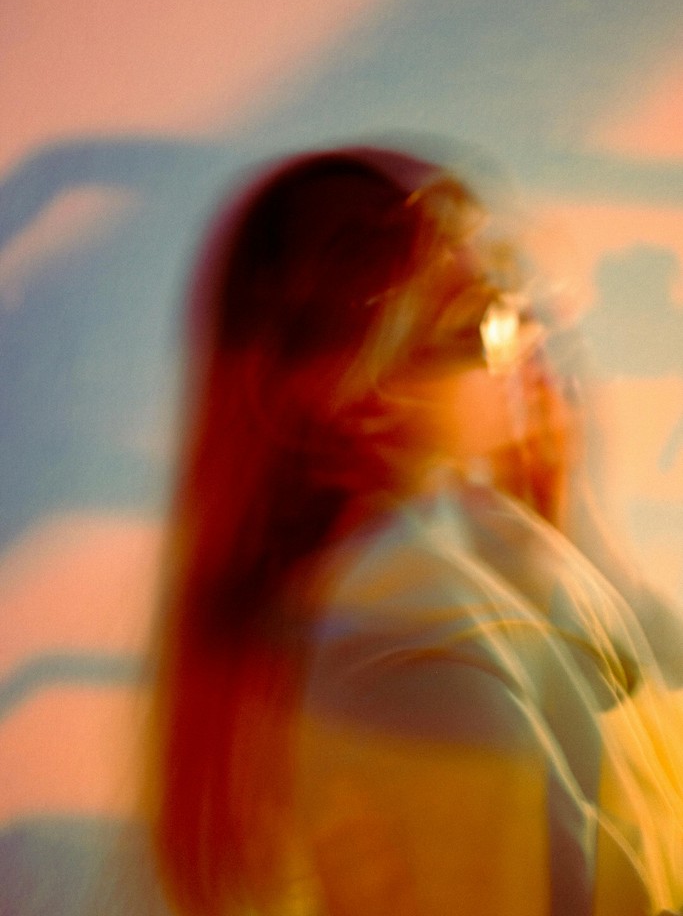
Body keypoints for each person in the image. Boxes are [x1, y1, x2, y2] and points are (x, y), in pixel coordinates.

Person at [144, 146, 683, 916]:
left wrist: (572, 539)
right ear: (360, 397)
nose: (526, 343)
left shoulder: (464, 569)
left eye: (516, 301)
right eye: (482, 322)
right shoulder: (410, 648)